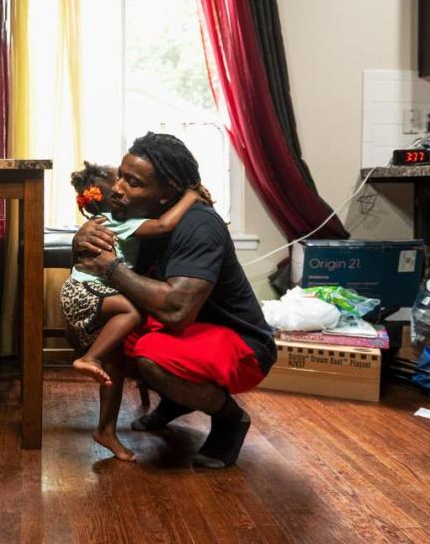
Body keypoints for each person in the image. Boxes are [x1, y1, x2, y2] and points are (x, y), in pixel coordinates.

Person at [72, 133, 276, 469]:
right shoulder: (137, 219)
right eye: (120, 175)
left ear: (166, 193)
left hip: (243, 346)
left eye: (133, 182)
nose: (118, 188)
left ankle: (229, 419)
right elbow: (93, 265)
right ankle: (176, 401)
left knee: (152, 357)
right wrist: (82, 241)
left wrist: (110, 267)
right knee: (104, 334)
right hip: (189, 333)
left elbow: (177, 309)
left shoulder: (199, 226)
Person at [60, 162, 205, 461]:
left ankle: (106, 430)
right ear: (112, 198)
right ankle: (89, 357)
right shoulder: (117, 222)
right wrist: (192, 196)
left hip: (94, 293)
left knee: (113, 368)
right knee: (133, 313)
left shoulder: (105, 220)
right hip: (87, 293)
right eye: (119, 184)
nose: (124, 188)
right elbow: (165, 225)